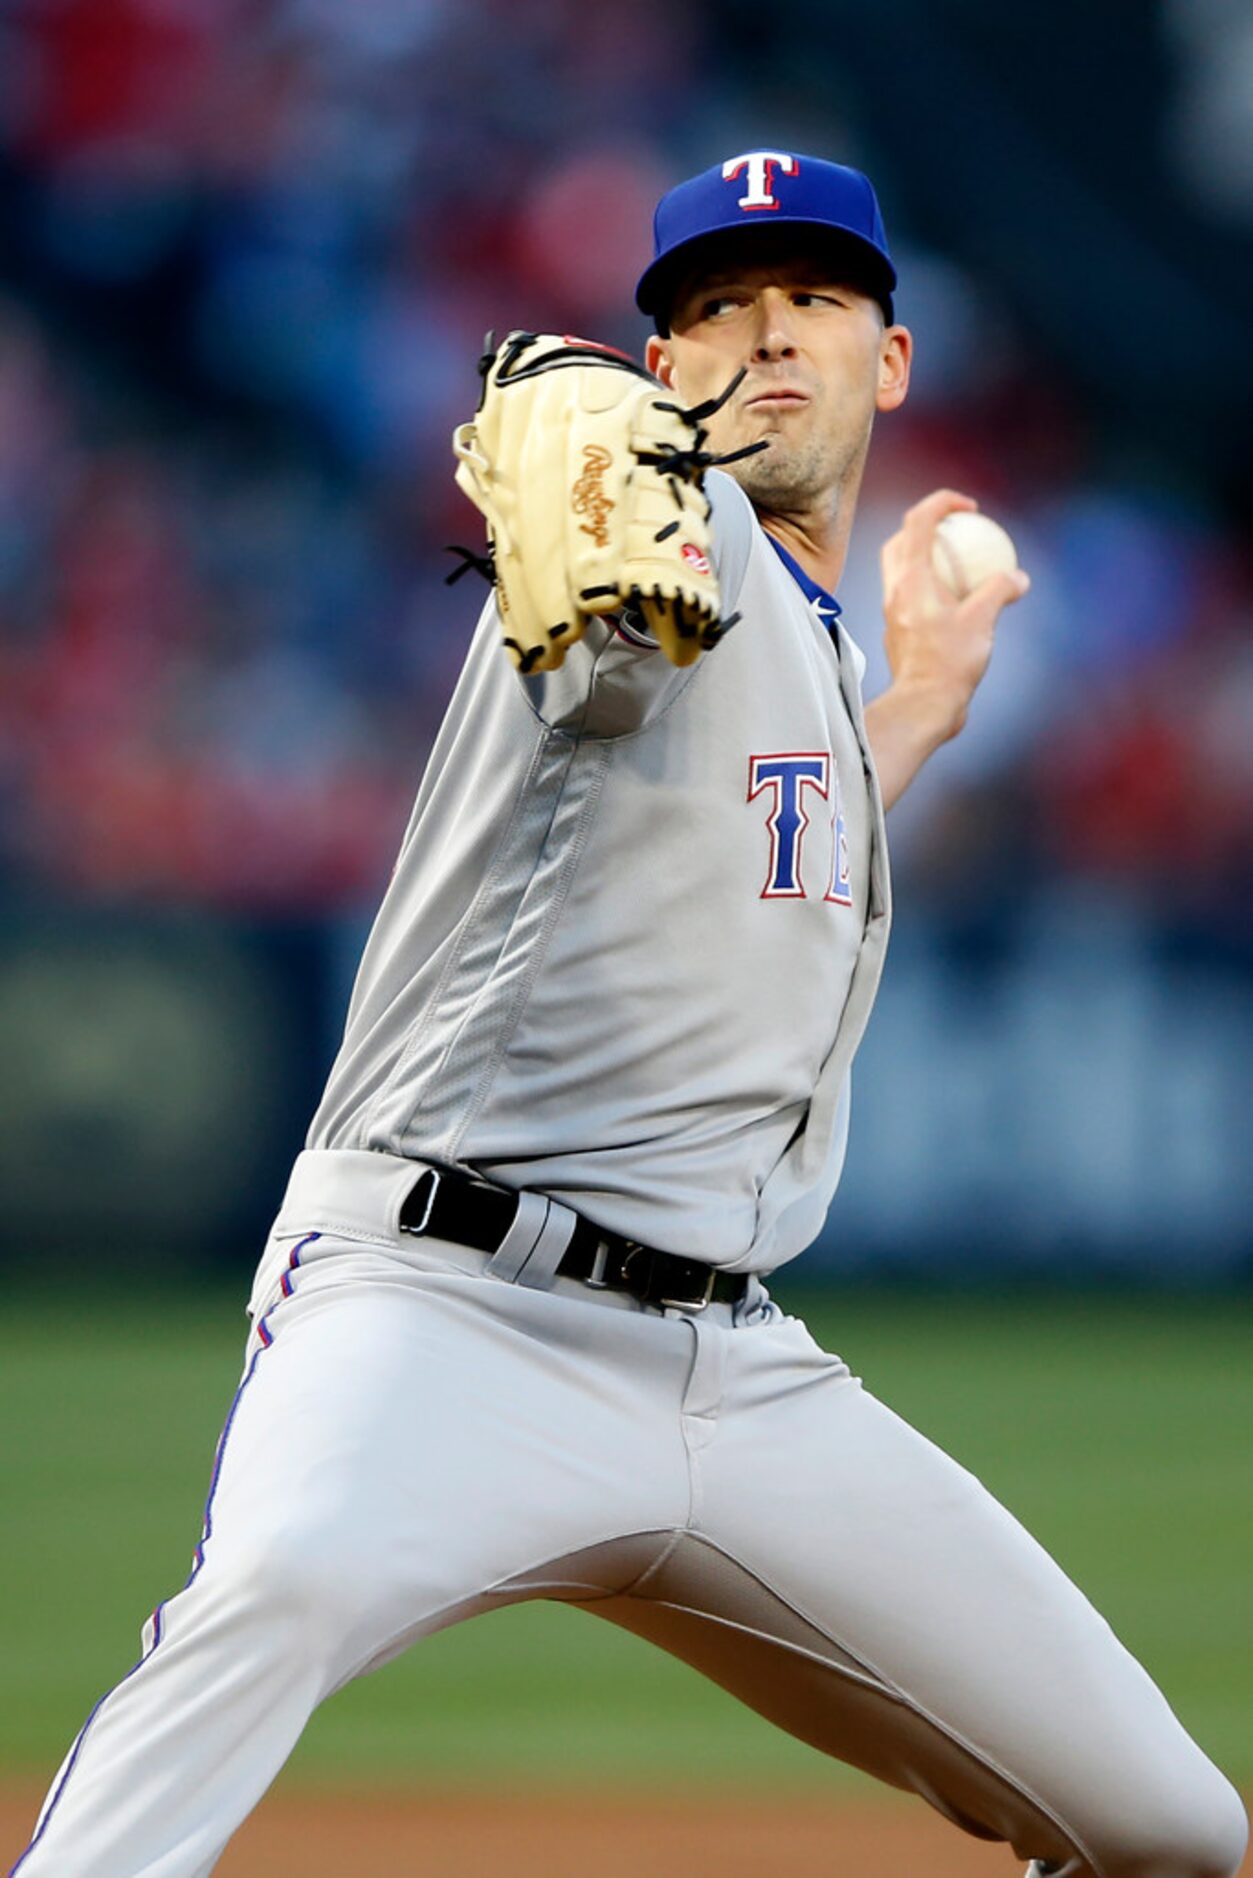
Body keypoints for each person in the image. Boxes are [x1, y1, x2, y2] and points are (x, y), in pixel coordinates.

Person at [13, 152, 1247, 1878]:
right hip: (442, 1310)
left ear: (889, 361)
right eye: (717, 310)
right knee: (271, 1599)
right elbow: (601, 573)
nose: (767, 338)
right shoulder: (657, 518)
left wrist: (917, 708)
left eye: (814, 302)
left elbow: (766, 855)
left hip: (734, 1376)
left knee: (1174, 1830)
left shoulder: (808, 659)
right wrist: (590, 424)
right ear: (664, 364)